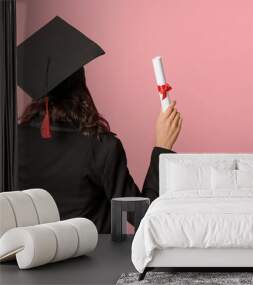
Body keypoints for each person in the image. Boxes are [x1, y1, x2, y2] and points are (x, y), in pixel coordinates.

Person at [16, 16, 182, 233]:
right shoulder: (101, 146)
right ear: (80, 84)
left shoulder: (12, 142)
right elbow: (144, 219)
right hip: (93, 262)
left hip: (28, 261)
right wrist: (163, 148)